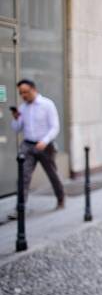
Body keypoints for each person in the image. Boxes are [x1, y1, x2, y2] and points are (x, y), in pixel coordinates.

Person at [9, 79, 65, 220]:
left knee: (52, 174)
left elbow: (55, 127)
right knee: (23, 176)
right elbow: (16, 128)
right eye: (21, 93)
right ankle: (20, 207)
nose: (23, 95)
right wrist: (16, 119)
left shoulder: (47, 105)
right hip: (28, 145)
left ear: (33, 89)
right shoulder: (23, 108)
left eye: (26, 92)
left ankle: (61, 198)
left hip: (45, 145)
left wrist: (45, 141)